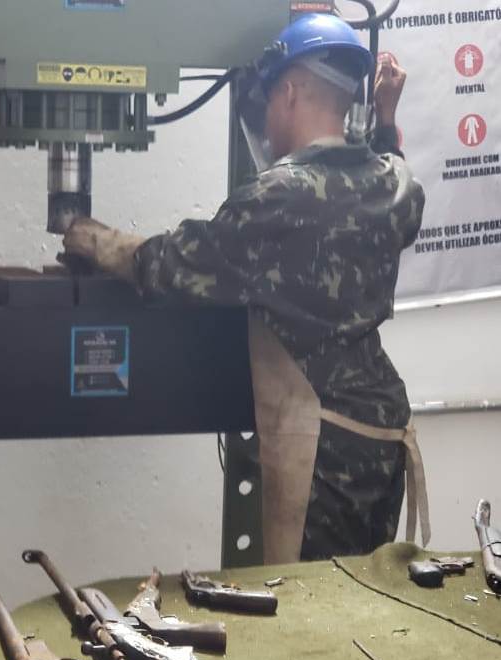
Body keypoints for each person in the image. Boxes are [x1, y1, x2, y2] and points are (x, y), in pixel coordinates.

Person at [63, 14, 429, 564]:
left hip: (322, 448)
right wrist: (386, 119)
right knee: (369, 594)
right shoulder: (396, 186)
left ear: (288, 93)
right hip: (384, 435)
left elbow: (172, 265)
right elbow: (393, 165)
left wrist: (92, 239)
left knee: (311, 602)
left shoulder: (276, 197)